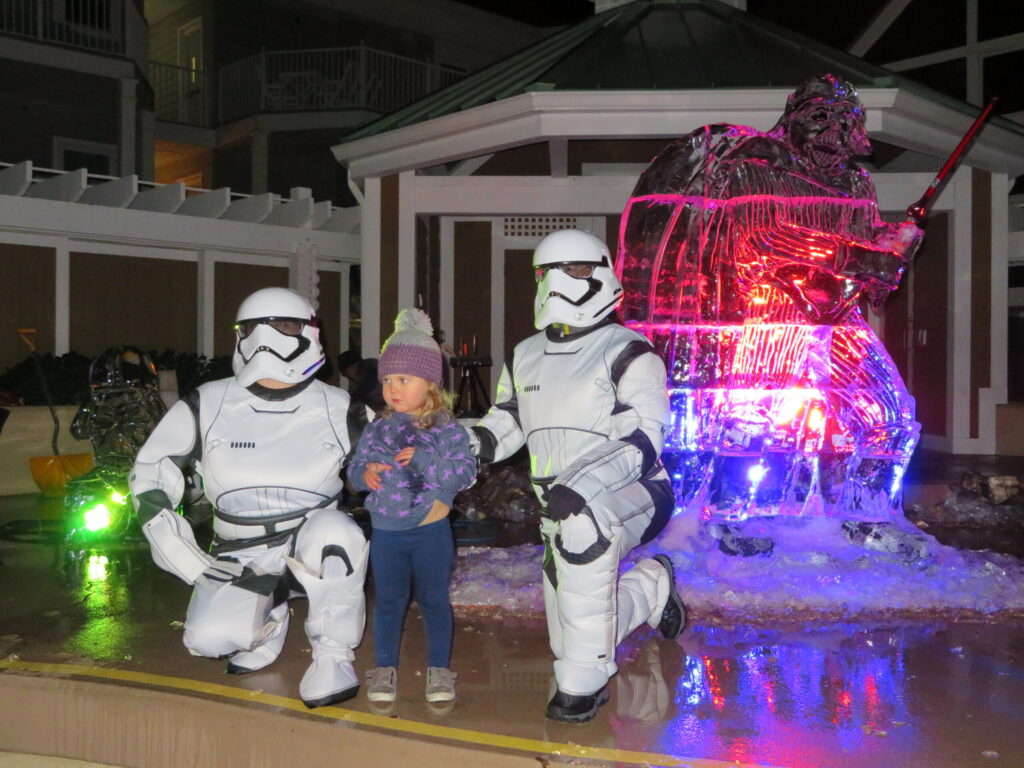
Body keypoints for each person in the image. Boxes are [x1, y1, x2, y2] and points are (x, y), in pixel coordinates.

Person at [617, 73, 924, 554]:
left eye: (845, 120)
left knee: (889, 414)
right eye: (819, 115)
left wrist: (893, 250)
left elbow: (873, 279)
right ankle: (732, 519)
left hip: (839, 321)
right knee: (754, 422)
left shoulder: (857, 182)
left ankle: (866, 516)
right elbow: (762, 240)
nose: (833, 130)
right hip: (770, 314)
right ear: (793, 118)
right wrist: (859, 256)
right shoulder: (755, 168)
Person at [469, 229, 686, 723]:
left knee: (581, 536)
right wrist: (462, 449)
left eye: (579, 270)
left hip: (634, 490)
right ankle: (651, 586)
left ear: (603, 273)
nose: (562, 283)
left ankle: (583, 683)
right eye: (550, 272)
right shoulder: (524, 353)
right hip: (559, 502)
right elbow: (506, 421)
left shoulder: (630, 351)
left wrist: (582, 484)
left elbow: (643, 440)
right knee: (573, 632)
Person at [129, 287, 370, 708]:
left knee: (338, 532)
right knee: (209, 639)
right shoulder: (207, 401)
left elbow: (391, 467)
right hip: (239, 550)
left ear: (309, 333)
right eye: (251, 327)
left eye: (284, 324)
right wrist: (179, 550)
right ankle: (267, 620)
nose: (267, 337)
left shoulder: (341, 406)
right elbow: (150, 471)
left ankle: (333, 652)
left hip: (309, 540)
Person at [346, 308, 475, 705]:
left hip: (430, 532)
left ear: (431, 383)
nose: (392, 388)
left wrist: (423, 461)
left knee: (434, 601)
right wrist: (363, 475)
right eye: (387, 379)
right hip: (386, 533)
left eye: (404, 379)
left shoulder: (447, 428)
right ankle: (384, 667)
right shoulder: (377, 427)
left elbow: (463, 474)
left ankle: (439, 669)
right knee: (388, 600)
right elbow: (351, 473)